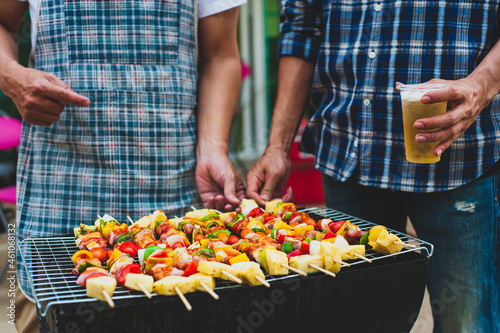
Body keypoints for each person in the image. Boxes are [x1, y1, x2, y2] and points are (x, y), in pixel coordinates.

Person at [247, 1, 500, 332]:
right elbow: (301, 26)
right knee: (355, 322)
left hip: (461, 159)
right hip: (349, 155)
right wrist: (278, 147)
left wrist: (481, 86)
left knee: (466, 325)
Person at [0, 0, 246, 331]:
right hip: (57, 198)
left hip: (173, 205)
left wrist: (213, 148)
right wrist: (10, 75)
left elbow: (221, 55)